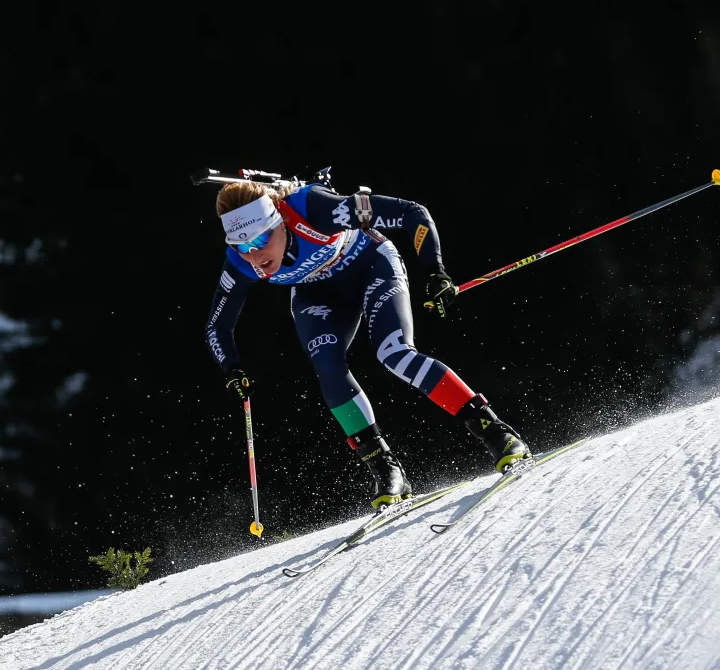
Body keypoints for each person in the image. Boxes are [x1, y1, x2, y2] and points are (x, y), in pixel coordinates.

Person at [204, 178, 531, 509]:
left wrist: (435, 271)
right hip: (317, 295)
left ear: (277, 219)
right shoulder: (241, 265)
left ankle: (497, 434)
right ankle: (387, 471)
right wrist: (231, 367)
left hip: (371, 266)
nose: (254, 256)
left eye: (260, 240)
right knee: (328, 369)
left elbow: (412, 213)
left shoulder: (317, 208)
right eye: (241, 247)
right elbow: (217, 325)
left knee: (395, 353)